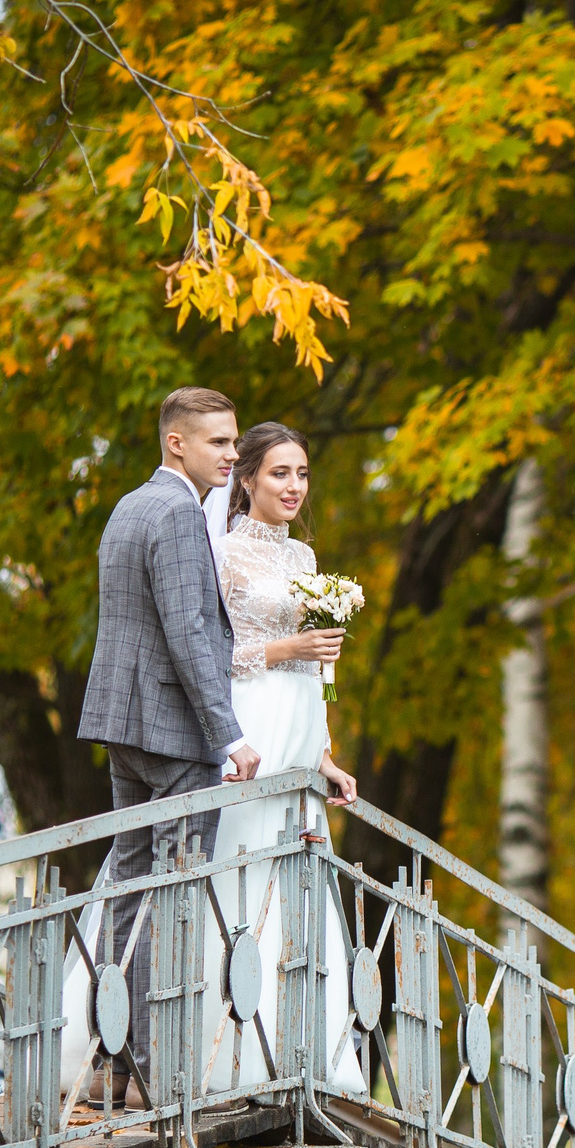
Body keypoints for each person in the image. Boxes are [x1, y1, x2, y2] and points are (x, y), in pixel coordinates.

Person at [72, 387, 258, 1100]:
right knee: (173, 892)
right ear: (176, 442)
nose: (231, 453)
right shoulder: (180, 514)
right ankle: (149, 1066)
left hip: (123, 722)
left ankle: (108, 1060)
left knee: (129, 887)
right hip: (174, 730)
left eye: (234, 440)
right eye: (218, 441)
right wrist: (229, 734)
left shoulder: (129, 505)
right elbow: (186, 633)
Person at [203, 422, 368, 1092]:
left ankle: (300, 1053)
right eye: (279, 473)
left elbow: (314, 672)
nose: (294, 486)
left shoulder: (303, 557)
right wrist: (285, 651)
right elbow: (209, 657)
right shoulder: (219, 552)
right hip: (251, 727)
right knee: (238, 878)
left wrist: (325, 754)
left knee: (293, 876)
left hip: (300, 730)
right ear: (246, 479)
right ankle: (223, 1053)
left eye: (301, 473)